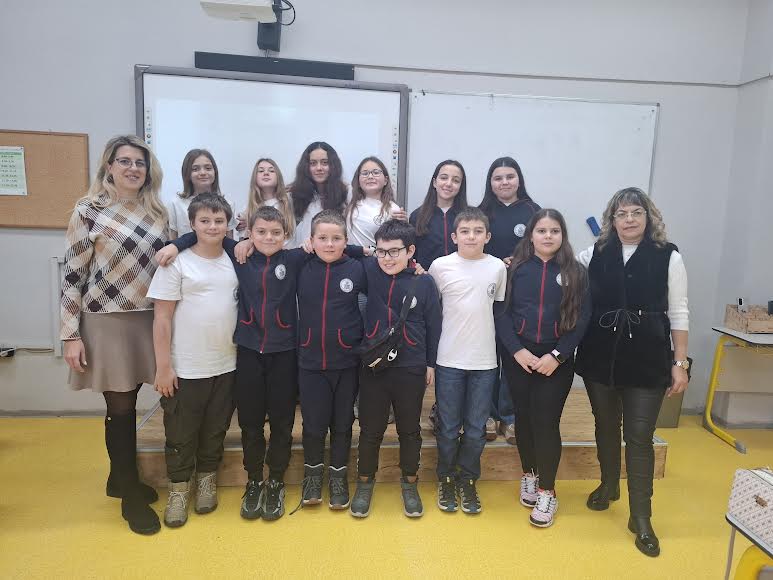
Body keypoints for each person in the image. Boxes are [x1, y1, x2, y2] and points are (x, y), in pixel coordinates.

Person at [158, 205, 315, 521]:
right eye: (261, 232)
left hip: (284, 354)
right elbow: (205, 235)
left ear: (287, 235)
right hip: (247, 354)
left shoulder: (295, 259)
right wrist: (176, 244)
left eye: (276, 232)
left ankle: (275, 480)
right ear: (249, 234)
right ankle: (254, 479)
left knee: (282, 422)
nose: (268, 237)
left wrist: (367, 251)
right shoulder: (239, 256)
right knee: (250, 423)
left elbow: (338, 248)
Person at [575, 187, 689, 557]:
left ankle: (641, 517)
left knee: (639, 437)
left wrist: (680, 363)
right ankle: (609, 485)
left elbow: (679, 311)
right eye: (622, 213)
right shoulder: (594, 252)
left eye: (636, 213)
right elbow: (560, 271)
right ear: (612, 219)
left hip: (648, 358)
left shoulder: (668, 256)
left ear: (648, 217)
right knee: (605, 425)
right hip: (600, 356)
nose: (629, 220)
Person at [61, 134, 167, 535]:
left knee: (135, 396)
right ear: (109, 166)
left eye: (139, 162)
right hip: (107, 319)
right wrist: (70, 334)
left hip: (149, 318)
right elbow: (73, 275)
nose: (132, 168)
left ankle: (117, 478)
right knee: (121, 407)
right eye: (124, 161)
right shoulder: (88, 210)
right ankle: (129, 497)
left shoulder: (157, 212)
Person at [495, 209, 591, 528]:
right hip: (519, 358)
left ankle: (548, 491)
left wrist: (558, 355)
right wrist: (517, 351)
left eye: (554, 231)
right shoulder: (514, 270)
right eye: (541, 230)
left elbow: (583, 318)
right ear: (531, 235)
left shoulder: (576, 272)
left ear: (562, 235)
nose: (548, 236)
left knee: (546, 422)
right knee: (523, 419)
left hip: (556, 360)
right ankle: (529, 474)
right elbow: (502, 314)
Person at [147, 193, 238, 528]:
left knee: (215, 429)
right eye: (205, 221)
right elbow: (161, 319)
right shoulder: (177, 262)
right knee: (181, 433)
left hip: (227, 364)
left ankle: (206, 482)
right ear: (192, 225)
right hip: (186, 367)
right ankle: (179, 489)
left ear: (228, 225)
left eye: (219, 221)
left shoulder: (235, 258)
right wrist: (163, 367)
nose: (212, 226)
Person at [349, 220, 442, 519]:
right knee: (370, 429)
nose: (387, 258)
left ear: (410, 251)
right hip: (374, 365)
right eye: (381, 251)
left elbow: (434, 325)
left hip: (412, 366)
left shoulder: (424, 282)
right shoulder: (369, 270)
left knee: (409, 430)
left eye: (394, 252)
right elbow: (342, 253)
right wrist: (365, 251)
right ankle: (365, 483)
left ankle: (409, 483)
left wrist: (430, 363)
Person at [429, 207, 507, 514]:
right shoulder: (440, 266)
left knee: (476, 429)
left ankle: (468, 479)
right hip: (448, 360)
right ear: (454, 236)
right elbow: (431, 311)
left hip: (484, 362)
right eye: (465, 231)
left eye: (477, 231)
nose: (471, 236)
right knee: (448, 428)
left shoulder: (497, 267)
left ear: (487, 236)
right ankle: (446, 478)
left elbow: (498, 311)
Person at [296, 210, 366, 511]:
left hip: (346, 362)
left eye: (336, 238)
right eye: (322, 238)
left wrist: (414, 269)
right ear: (310, 240)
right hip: (310, 362)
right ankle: (312, 476)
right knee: (313, 424)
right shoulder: (300, 266)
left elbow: (389, 275)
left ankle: (338, 477)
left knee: (342, 423)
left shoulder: (357, 269)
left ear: (345, 241)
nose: (329, 244)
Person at [480, 157, 541, 445]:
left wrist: (519, 260)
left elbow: (544, 248)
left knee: (513, 353)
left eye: (509, 176)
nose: (504, 182)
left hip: (522, 293)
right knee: (488, 354)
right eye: (498, 177)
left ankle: (510, 416)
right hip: (486, 293)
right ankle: (487, 415)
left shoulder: (533, 211)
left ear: (519, 180)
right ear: (490, 183)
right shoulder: (481, 212)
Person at [409, 160, 468, 270]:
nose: (449, 184)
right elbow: (411, 254)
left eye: (456, 180)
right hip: (426, 277)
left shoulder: (469, 217)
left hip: (462, 276)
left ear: (461, 186)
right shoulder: (417, 216)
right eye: (444, 178)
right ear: (434, 182)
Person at [287, 142, 348, 248]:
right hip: (301, 254)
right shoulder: (293, 196)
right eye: (313, 163)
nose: (319, 168)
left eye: (325, 163)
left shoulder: (346, 193)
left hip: (334, 254)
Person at [166, 149, 236, 239]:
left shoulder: (228, 204)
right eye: (195, 169)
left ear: (215, 172)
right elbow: (173, 239)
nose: (203, 173)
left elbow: (230, 240)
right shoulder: (175, 204)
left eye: (208, 168)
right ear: (187, 174)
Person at [345, 156, 407, 247]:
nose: (370, 176)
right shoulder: (349, 201)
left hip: (377, 255)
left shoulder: (393, 209)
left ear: (385, 180)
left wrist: (404, 225)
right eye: (365, 173)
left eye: (376, 172)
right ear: (358, 181)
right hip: (349, 254)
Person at [235, 158, 296, 242]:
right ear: (254, 178)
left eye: (271, 171)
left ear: (278, 177)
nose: (266, 173)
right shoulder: (247, 210)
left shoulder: (290, 200)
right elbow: (243, 243)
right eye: (261, 171)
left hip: (289, 249)